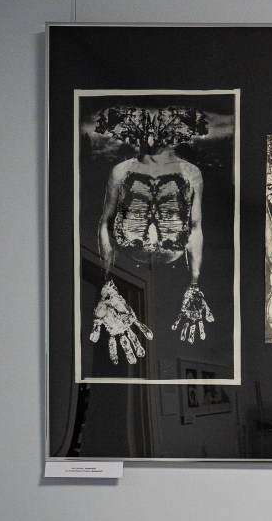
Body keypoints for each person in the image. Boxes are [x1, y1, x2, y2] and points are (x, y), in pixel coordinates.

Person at [89, 105, 214, 365]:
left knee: (174, 352)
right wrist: (107, 280)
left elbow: (195, 226)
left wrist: (194, 282)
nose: (153, 134)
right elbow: (105, 223)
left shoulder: (190, 173)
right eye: (148, 126)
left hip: (173, 269)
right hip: (128, 266)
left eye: (162, 126)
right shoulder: (121, 171)